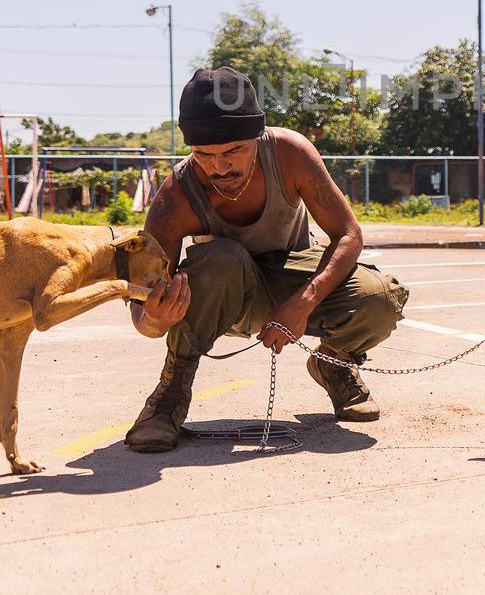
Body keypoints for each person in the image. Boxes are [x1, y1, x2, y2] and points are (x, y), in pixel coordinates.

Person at [124, 67, 410, 452]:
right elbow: (141, 299)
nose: (219, 167)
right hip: (225, 298)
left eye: (233, 152)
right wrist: (154, 320)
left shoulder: (290, 153)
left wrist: (302, 304)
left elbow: (348, 234)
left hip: (293, 278)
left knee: (378, 297)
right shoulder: (175, 196)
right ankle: (169, 396)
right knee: (221, 257)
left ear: (258, 136)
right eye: (204, 155)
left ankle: (334, 363)